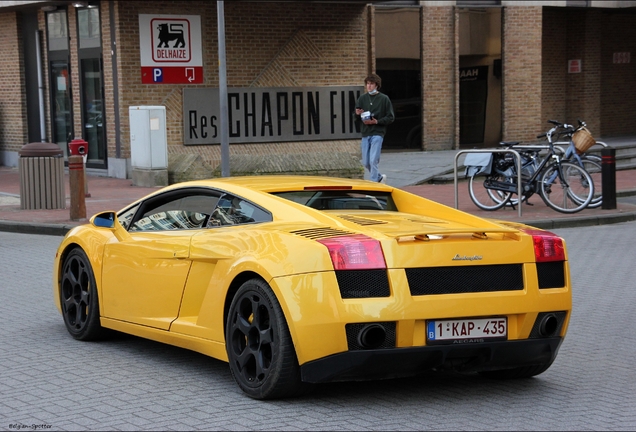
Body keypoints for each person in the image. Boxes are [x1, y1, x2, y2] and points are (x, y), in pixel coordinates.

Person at [355, 73, 394, 183]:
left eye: (371, 84)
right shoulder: (362, 98)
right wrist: (357, 114)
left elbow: (390, 117)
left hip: (377, 132)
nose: (369, 86)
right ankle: (379, 177)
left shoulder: (384, 99)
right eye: (367, 84)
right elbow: (355, 117)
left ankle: (373, 183)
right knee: (366, 162)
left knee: (373, 160)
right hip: (365, 132)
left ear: (377, 85)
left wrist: (377, 121)